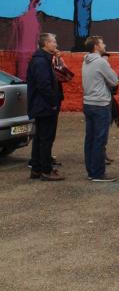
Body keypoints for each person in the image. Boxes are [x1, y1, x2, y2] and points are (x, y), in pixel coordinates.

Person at [26, 33, 64, 181]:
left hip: (41, 105)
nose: (56, 44)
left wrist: (58, 58)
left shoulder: (45, 59)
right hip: (45, 106)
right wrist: (54, 102)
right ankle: (46, 171)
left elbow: (63, 74)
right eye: (54, 42)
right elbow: (44, 86)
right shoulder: (41, 62)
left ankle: (36, 169)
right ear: (46, 44)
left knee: (40, 138)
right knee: (46, 139)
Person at [82, 35, 119, 182]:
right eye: (102, 43)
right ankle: (98, 173)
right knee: (99, 139)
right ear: (96, 46)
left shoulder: (85, 60)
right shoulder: (101, 62)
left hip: (88, 102)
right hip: (100, 104)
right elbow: (114, 80)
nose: (105, 45)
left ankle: (91, 170)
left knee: (90, 138)